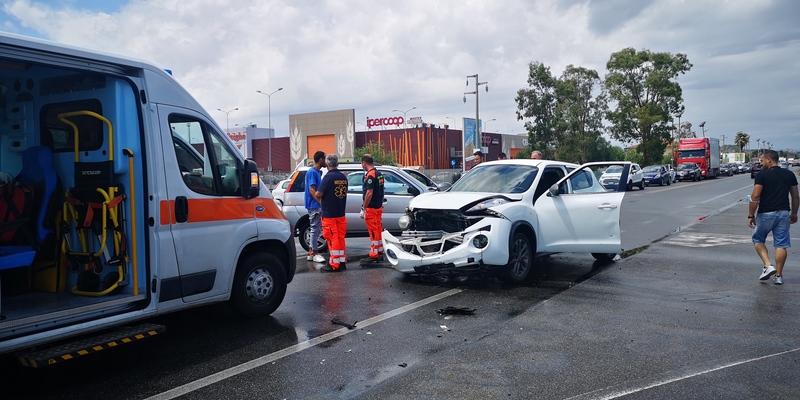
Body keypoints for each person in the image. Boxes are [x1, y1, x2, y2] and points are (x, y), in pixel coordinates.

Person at [748, 149, 799, 285]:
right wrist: (794, 213)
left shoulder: (762, 175)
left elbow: (755, 197)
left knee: (758, 239)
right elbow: (795, 196)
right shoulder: (789, 175)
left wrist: (751, 215)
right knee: (781, 244)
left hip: (766, 213)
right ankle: (778, 276)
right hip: (783, 213)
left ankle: (767, 265)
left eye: (762, 160)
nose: (761, 162)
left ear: (769, 160)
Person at [314, 154, 348, 272]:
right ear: (337, 163)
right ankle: (342, 261)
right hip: (340, 213)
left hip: (329, 214)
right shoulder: (343, 177)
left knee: (332, 238)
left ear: (327, 164)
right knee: (340, 238)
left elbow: (318, 193)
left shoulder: (328, 178)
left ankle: (334, 263)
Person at [360, 154, 385, 262]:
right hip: (378, 206)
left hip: (371, 208)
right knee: (378, 229)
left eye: (362, 164)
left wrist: (363, 208)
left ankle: (374, 253)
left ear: (364, 163)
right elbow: (382, 190)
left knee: (373, 230)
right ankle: (379, 250)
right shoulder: (379, 174)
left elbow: (369, 193)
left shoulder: (370, 175)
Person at [304, 151, 326, 263]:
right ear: (321, 159)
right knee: (315, 228)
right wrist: (320, 202)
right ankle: (315, 253)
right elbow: (312, 189)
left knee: (316, 228)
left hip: (314, 204)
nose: (326, 161)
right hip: (314, 205)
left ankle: (311, 252)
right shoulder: (312, 172)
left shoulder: (317, 172)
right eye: (325, 159)